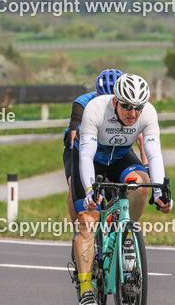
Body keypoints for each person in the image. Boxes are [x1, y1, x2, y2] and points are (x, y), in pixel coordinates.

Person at [73, 73, 172, 305]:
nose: (133, 113)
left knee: (140, 184)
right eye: (126, 106)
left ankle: (127, 233)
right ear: (115, 101)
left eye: (137, 107)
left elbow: (154, 154)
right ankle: (86, 289)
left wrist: (160, 192)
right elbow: (85, 155)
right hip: (92, 159)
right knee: (88, 219)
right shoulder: (96, 109)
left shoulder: (148, 113)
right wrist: (89, 191)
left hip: (119, 158)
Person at [62, 69, 147, 224]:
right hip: (81, 148)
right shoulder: (83, 103)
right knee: (74, 182)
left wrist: (145, 165)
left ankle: (122, 230)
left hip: (114, 148)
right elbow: (75, 138)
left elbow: (140, 139)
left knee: (133, 184)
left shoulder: (127, 106)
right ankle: (80, 228)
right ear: (97, 96)